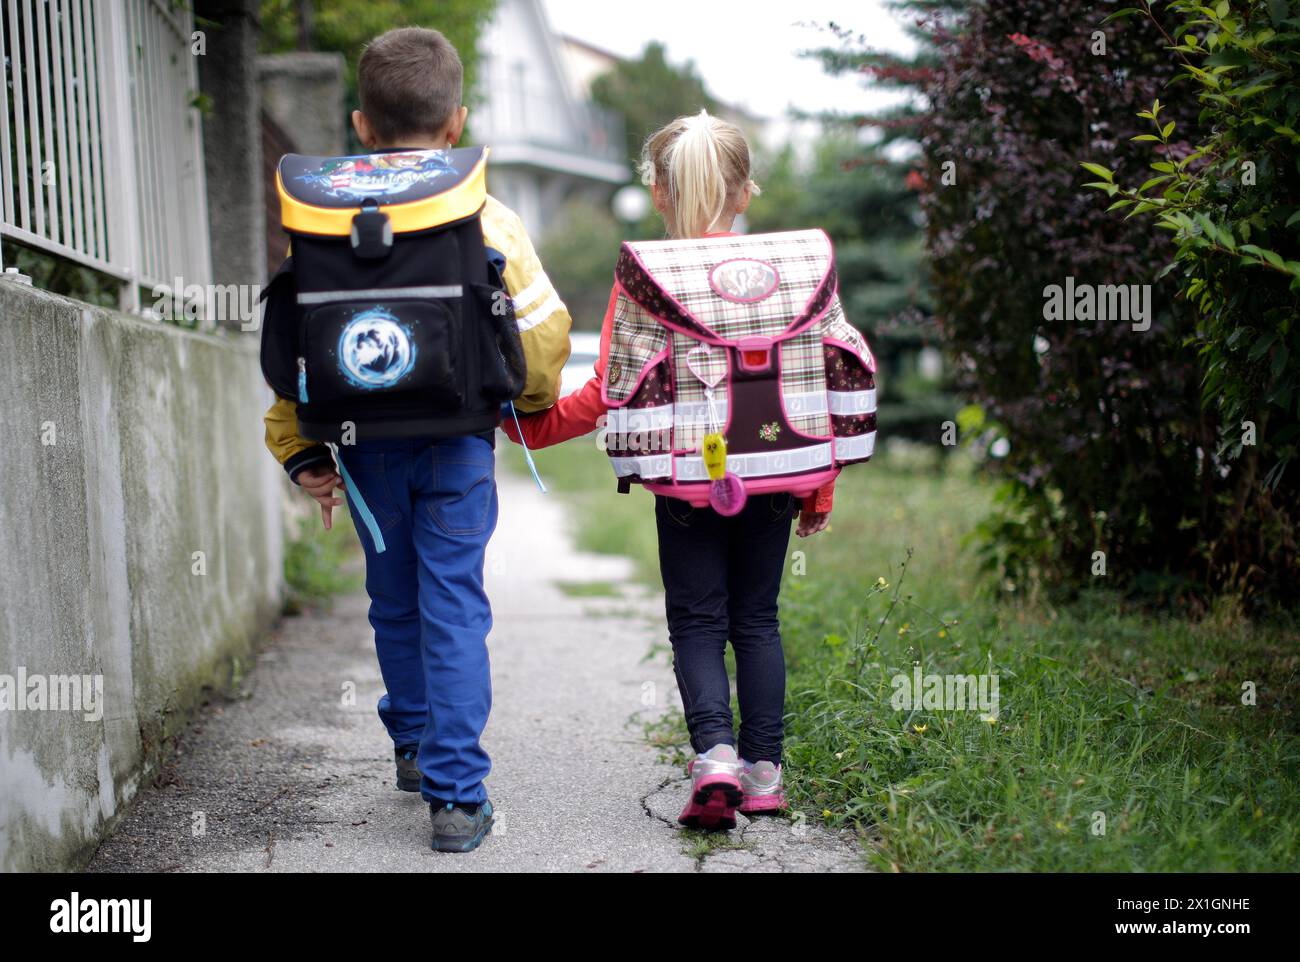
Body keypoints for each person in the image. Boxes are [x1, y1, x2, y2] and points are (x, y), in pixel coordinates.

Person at [261, 27, 571, 852]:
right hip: (460, 441)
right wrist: (528, 401)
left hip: (363, 449)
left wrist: (299, 451)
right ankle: (458, 799)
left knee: (394, 602)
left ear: (361, 124)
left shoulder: (320, 217)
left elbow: (297, 343)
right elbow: (541, 336)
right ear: (457, 120)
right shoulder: (484, 214)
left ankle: (410, 742)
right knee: (455, 610)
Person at [504, 111, 840, 830]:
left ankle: (714, 758)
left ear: (658, 193)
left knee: (696, 619)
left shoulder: (648, 276)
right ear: (746, 192)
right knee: (757, 618)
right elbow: (812, 383)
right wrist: (819, 482)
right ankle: (766, 772)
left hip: (689, 481)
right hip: (778, 468)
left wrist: (525, 426)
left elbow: (608, 392)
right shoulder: (790, 271)